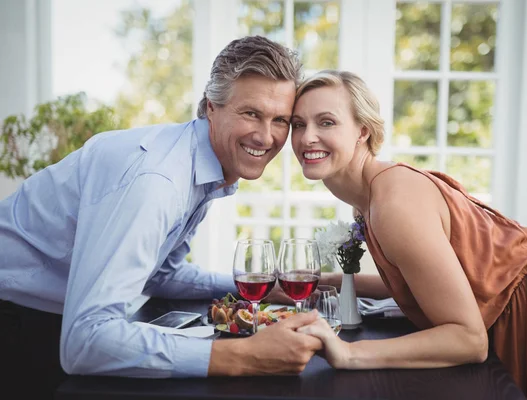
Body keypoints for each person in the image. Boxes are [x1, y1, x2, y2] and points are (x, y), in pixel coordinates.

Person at [0, 36, 322, 399]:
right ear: (210, 107)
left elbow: (162, 273)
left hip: (45, 317)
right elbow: (86, 340)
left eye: (280, 119)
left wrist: (252, 287)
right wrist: (245, 356)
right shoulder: (158, 182)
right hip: (14, 320)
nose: (267, 136)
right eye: (251, 113)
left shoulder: (200, 168)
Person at [290, 70, 527, 400]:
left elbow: (469, 340)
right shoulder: (368, 198)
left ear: (362, 131)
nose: (307, 137)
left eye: (326, 122)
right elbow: (421, 283)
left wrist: (348, 354)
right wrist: (317, 283)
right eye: (298, 124)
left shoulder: (394, 202)